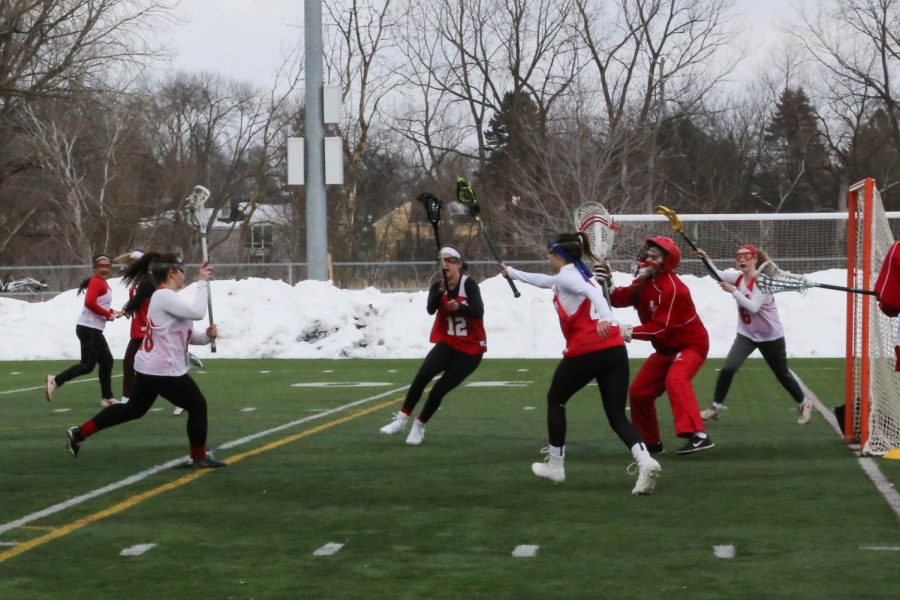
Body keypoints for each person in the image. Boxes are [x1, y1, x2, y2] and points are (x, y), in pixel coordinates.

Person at [500, 233, 661, 494]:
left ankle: (555, 464)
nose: (547, 255)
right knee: (617, 416)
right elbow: (546, 281)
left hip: (589, 348)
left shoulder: (571, 276)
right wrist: (513, 273)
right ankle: (645, 461)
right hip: (614, 350)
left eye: (549, 251)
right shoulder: (574, 273)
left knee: (556, 400)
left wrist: (607, 317)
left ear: (558, 253)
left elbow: (592, 291)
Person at [64, 252, 225, 468]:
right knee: (198, 405)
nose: (185, 274)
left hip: (151, 367)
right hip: (162, 370)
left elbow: (187, 334)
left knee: (133, 409)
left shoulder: (169, 299)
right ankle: (198, 457)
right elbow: (197, 312)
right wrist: (203, 282)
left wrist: (207, 337)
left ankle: (79, 433)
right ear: (172, 272)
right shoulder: (163, 296)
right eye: (182, 269)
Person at [598, 237, 714, 455]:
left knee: (676, 379)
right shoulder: (644, 282)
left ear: (666, 262)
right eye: (648, 253)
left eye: (655, 256)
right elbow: (618, 298)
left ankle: (699, 435)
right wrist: (606, 279)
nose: (648, 258)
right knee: (640, 392)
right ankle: (651, 443)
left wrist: (629, 331)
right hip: (665, 349)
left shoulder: (672, 289)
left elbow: (661, 328)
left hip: (690, 345)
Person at [379, 247, 486, 445]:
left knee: (438, 391)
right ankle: (401, 420)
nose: (446, 264)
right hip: (448, 343)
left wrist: (460, 307)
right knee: (421, 377)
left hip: (470, 350)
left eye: (450, 261)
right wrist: (439, 294)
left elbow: (478, 311)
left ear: (459, 264)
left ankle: (419, 426)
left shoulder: (468, 284)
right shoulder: (437, 285)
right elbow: (430, 309)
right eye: (443, 261)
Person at [695, 245, 812, 424]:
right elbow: (717, 274)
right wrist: (705, 259)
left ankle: (804, 403)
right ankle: (716, 407)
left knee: (782, 375)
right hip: (747, 335)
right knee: (728, 369)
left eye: (746, 256)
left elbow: (753, 307)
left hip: (770, 337)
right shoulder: (738, 278)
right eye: (739, 256)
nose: (741, 259)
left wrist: (733, 291)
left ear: (755, 259)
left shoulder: (762, 282)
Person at [45, 254, 121, 406]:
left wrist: (112, 311)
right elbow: (89, 303)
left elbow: (99, 304)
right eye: (101, 266)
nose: (104, 269)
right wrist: (107, 314)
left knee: (106, 361)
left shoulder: (102, 283)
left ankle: (107, 398)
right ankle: (55, 380)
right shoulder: (96, 282)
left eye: (107, 266)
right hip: (89, 329)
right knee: (87, 366)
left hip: (93, 329)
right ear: (94, 268)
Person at [117, 250, 152, 404]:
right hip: (140, 327)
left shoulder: (147, 280)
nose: (130, 267)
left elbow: (137, 302)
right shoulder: (140, 281)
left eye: (133, 263)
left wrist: (127, 309)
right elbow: (135, 302)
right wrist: (126, 309)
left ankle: (127, 399)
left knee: (130, 362)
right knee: (142, 365)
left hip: (145, 328)